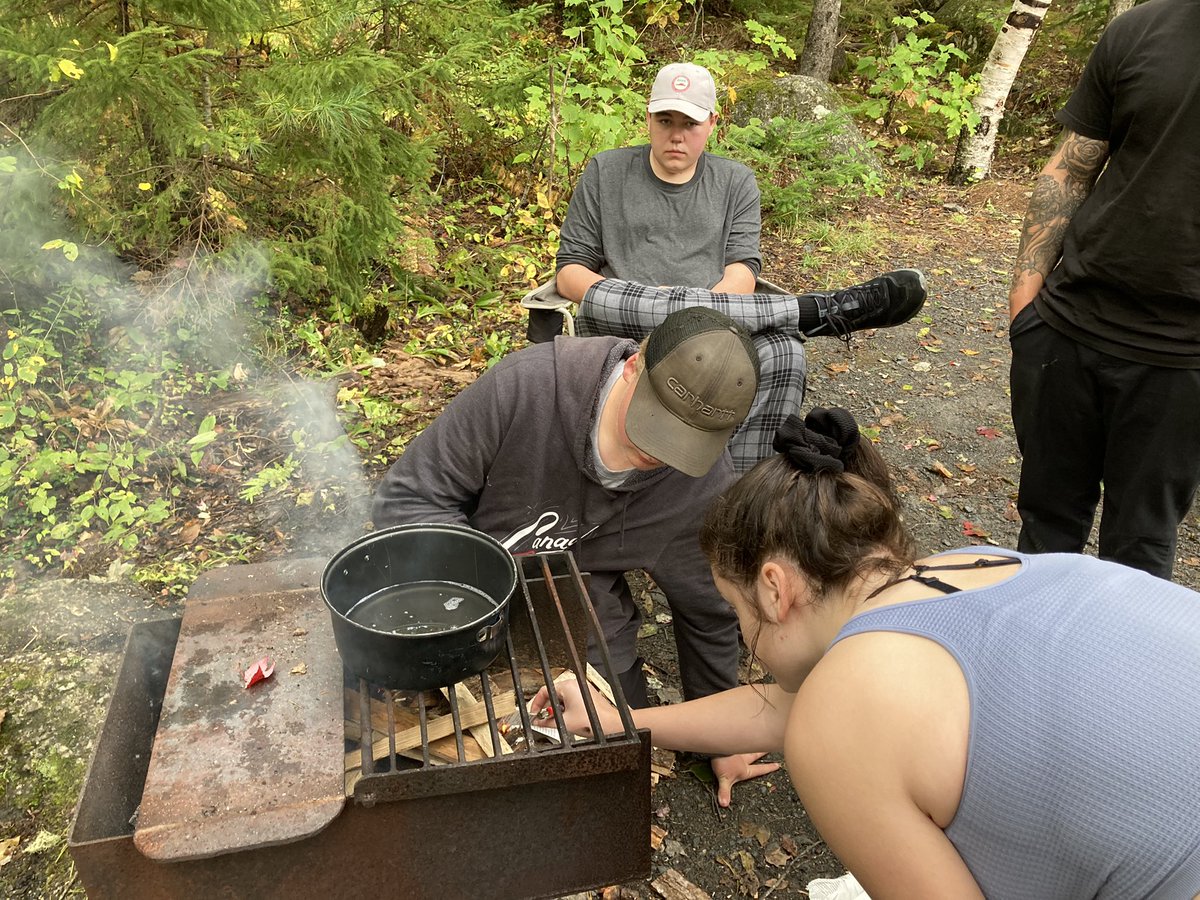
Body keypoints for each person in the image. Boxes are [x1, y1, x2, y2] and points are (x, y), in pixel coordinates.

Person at [536, 407, 1200, 899]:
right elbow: (781, 710)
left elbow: (823, 718)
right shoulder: (969, 565)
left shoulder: (847, 709)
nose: (745, 641)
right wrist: (621, 720)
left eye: (739, 616)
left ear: (775, 588)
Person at [373, 306, 762, 786]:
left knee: (612, 752)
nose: (658, 453)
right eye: (654, 422)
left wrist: (721, 739)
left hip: (586, 603)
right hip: (469, 584)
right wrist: (477, 600)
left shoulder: (700, 487)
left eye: (683, 442)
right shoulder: (525, 387)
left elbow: (706, 610)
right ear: (635, 364)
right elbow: (408, 499)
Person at [552, 61, 927, 472]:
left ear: (712, 122)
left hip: (713, 330)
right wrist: (653, 301)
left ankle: (739, 489)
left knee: (786, 350)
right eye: (665, 120)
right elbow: (570, 271)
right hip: (623, 324)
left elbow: (742, 274)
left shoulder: (735, 182)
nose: (676, 135)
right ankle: (814, 312)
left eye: (690, 123)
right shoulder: (606, 171)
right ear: (648, 118)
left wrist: (698, 317)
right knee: (613, 300)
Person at [1007, 0, 1200, 579]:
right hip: (1066, 326)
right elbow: (1071, 166)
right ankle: (1030, 666)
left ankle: (1112, 672)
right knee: (1044, 527)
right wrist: (1026, 296)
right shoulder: (1142, 28)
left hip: (1183, 357)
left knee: (1139, 549)